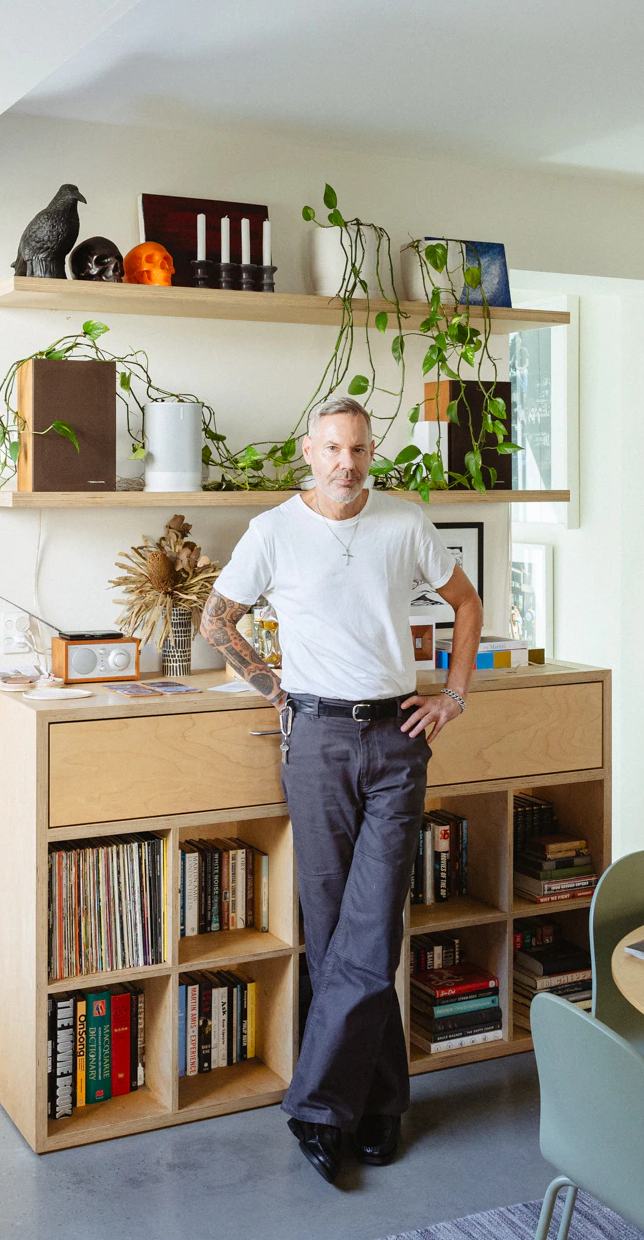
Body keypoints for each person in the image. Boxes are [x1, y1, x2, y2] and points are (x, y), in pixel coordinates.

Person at [200, 397, 482, 1188]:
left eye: (358, 450)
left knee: (373, 922)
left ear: (370, 452)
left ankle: (322, 1109)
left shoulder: (404, 522)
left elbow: (466, 603)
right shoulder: (273, 531)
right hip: (317, 741)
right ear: (309, 451)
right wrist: (274, 687)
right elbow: (217, 620)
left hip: (398, 740)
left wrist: (453, 695)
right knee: (333, 931)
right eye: (332, 449)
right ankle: (382, 1101)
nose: (346, 464)